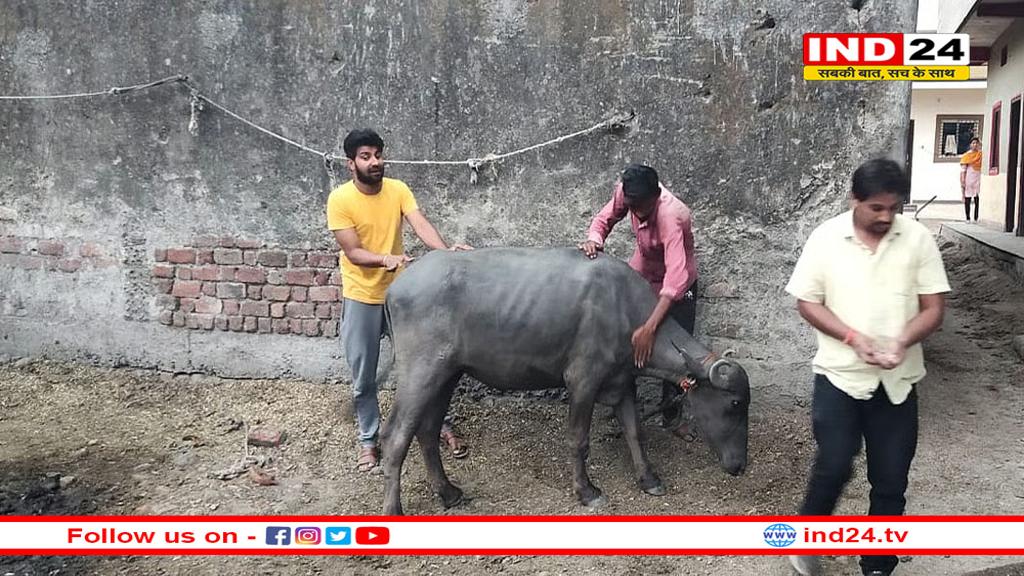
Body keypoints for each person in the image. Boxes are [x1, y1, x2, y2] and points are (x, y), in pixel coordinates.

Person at [784, 158, 950, 576]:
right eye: (876, 207)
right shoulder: (825, 238)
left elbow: (934, 308)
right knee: (836, 462)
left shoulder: (917, 240)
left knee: (891, 480)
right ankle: (806, 541)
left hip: (898, 381)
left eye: (894, 208)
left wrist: (901, 341)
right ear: (854, 199)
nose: (886, 217)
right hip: (839, 376)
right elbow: (807, 301)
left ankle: (877, 565)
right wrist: (853, 338)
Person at [327, 128, 472, 472]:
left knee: (430, 366)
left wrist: (446, 252)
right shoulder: (340, 200)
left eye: (378, 154)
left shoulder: (398, 190)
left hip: (403, 300)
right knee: (364, 375)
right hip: (363, 296)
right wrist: (384, 259)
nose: (375, 162)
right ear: (351, 164)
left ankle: (438, 425)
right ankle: (368, 438)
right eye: (366, 156)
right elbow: (352, 251)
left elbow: (420, 223)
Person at [579, 163, 698, 437]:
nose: (637, 215)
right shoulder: (627, 194)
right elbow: (603, 220)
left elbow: (675, 281)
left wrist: (649, 328)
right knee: (624, 338)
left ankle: (672, 416)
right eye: (632, 208)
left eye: (642, 208)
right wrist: (594, 240)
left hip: (677, 283)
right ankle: (623, 403)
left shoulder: (672, 216)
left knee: (677, 351)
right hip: (643, 273)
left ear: (656, 196)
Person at [960, 137, 982, 222]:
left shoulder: (980, 155)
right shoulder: (966, 156)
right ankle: (968, 217)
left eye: (976, 143)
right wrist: (962, 181)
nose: (975, 145)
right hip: (968, 179)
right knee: (967, 199)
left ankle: (976, 218)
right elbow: (963, 170)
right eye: (973, 143)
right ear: (970, 145)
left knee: (977, 199)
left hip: (978, 179)